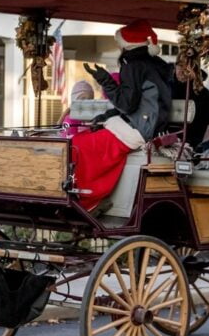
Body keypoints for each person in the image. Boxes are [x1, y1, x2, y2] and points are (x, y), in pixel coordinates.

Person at [70, 20, 174, 211]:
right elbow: (137, 102)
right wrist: (108, 115)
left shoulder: (133, 65)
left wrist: (105, 80)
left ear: (128, 44)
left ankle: (90, 199)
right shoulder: (152, 64)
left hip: (139, 129)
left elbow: (127, 103)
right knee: (80, 139)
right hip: (146, 125)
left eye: (120, 42)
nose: (118, 46)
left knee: (78, 145)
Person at [170, 65, 209, 146]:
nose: (183, 71)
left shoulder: (207, 97)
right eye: (180, 66)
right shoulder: (167, 90)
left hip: (195, 145)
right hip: (166, 142)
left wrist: (201, 147)